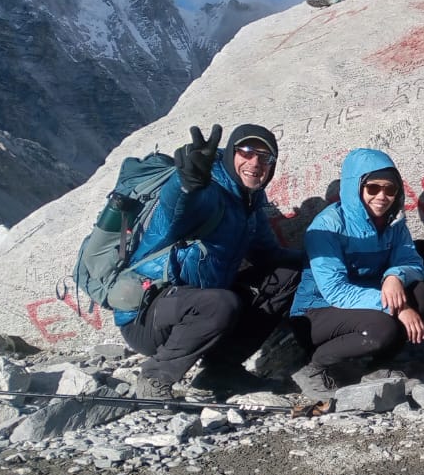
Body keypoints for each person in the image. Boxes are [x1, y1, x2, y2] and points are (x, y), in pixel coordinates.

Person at [118, 124, 303, 399]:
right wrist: (187, 183)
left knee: (286, 276)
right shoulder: (209, 190)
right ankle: (155, 377)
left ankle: (220, 370)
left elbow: (270, 255)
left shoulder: (248, 204)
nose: (255, 163)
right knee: (219, 303)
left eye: (265, 158)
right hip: (149, 314)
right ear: (231, 154)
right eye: (247, 152)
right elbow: (177, 211)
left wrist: (324, 258)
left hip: (199, 307)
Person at [288, 148, 424, 399]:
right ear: (356, 188)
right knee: (383, 328)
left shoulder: (394, 222)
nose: (382, 197)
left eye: (390, 189)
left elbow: (412, 262)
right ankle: (313, 368)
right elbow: (335, 290)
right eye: (373, 188)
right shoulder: (327, 227)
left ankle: (377, 368)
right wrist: (398, 307)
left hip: (363, 305)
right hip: (317, 311)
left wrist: (394, 276)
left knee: (420, 292)